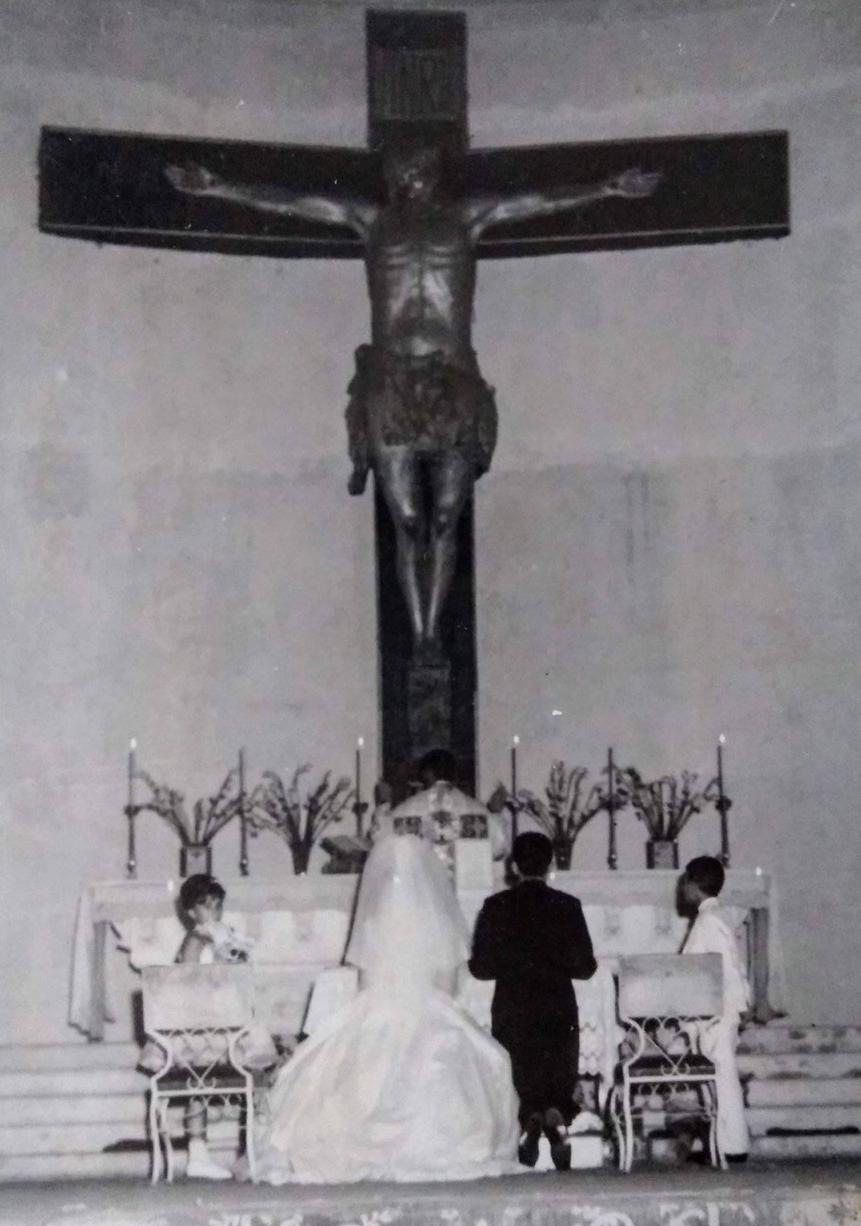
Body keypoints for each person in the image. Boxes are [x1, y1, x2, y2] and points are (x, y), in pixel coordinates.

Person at [165, 146, 659, 658]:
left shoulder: (465, 219)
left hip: (452, 376)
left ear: (434, 174)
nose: (413, 178)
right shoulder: (372, 221)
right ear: (394, 177)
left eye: (421, 170)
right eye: (405, 171)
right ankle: (420, 631)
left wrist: (606, 187)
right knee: (405, 518)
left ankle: (430, 633)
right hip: (392, 379)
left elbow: (532, 201)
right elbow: (295, 202)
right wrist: (219, 187)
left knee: (445, 517)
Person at [254, 833, 521, 1183]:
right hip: (427, 1007)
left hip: (379, 1007)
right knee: (483, 1059)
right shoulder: (436, 920)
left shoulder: (373, 920)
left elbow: (364, 982)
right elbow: (450, 985)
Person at [468, 831, 597, 1170]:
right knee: (556, 1064)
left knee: (519, 1067)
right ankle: (555, 1112)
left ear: (514, 866)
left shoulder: (495, 906)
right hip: (557, 1005)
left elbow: (481, 968)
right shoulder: (568, 905)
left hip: (514, 1005)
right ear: (551, 863)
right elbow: (586, 968)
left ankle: (529, 1120)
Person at [139, 874, 276, 1180]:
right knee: (212, 1067)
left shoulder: (222, 936)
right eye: (205, 906)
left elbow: (239, 983)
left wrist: (236, 957)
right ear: (191, 912)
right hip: (197, 1026)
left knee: (255, 1061)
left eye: (218, 904)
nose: (213, 912)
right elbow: (192, 984)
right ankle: (200, 1151)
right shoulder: (196, 940)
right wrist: (224, 962)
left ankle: (252, 1147)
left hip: (217, 1023)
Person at [678, 855, 751, 1163]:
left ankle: (733, 1147)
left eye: (685, 881)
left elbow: (728, 969)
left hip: (717, 1014)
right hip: (714, 1013)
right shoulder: (711, 917)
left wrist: (736, 1005)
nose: (681, 887)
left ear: (695, 886)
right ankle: (723, 1143)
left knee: (722, 1077)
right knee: (717, 1078)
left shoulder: (710, 921)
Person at [372, 747, 507, 876]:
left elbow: (380, 839)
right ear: (455, 773)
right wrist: (495, 811)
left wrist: (383, 803)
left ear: (426, 773)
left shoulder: (409, 808)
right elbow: (499, 847)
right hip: (465, 894)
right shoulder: (476, 811)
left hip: (425, 893)